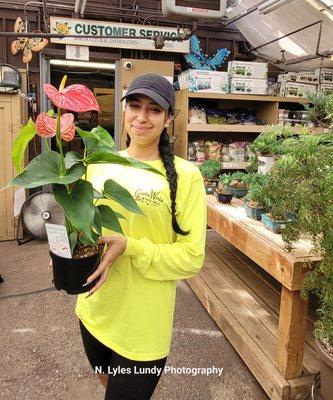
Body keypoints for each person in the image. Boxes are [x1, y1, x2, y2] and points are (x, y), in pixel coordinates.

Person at [75, 74, 207, 400]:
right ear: (124, 109)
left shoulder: (187, 176)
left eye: (154, 110)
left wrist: (130, 246)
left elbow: (192, 257)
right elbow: (83, 229)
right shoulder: (99, 162)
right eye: (135, 106)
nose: (142, 117)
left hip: (143, 325)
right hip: (94, 309)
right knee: (107, 387)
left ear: (169, 118)